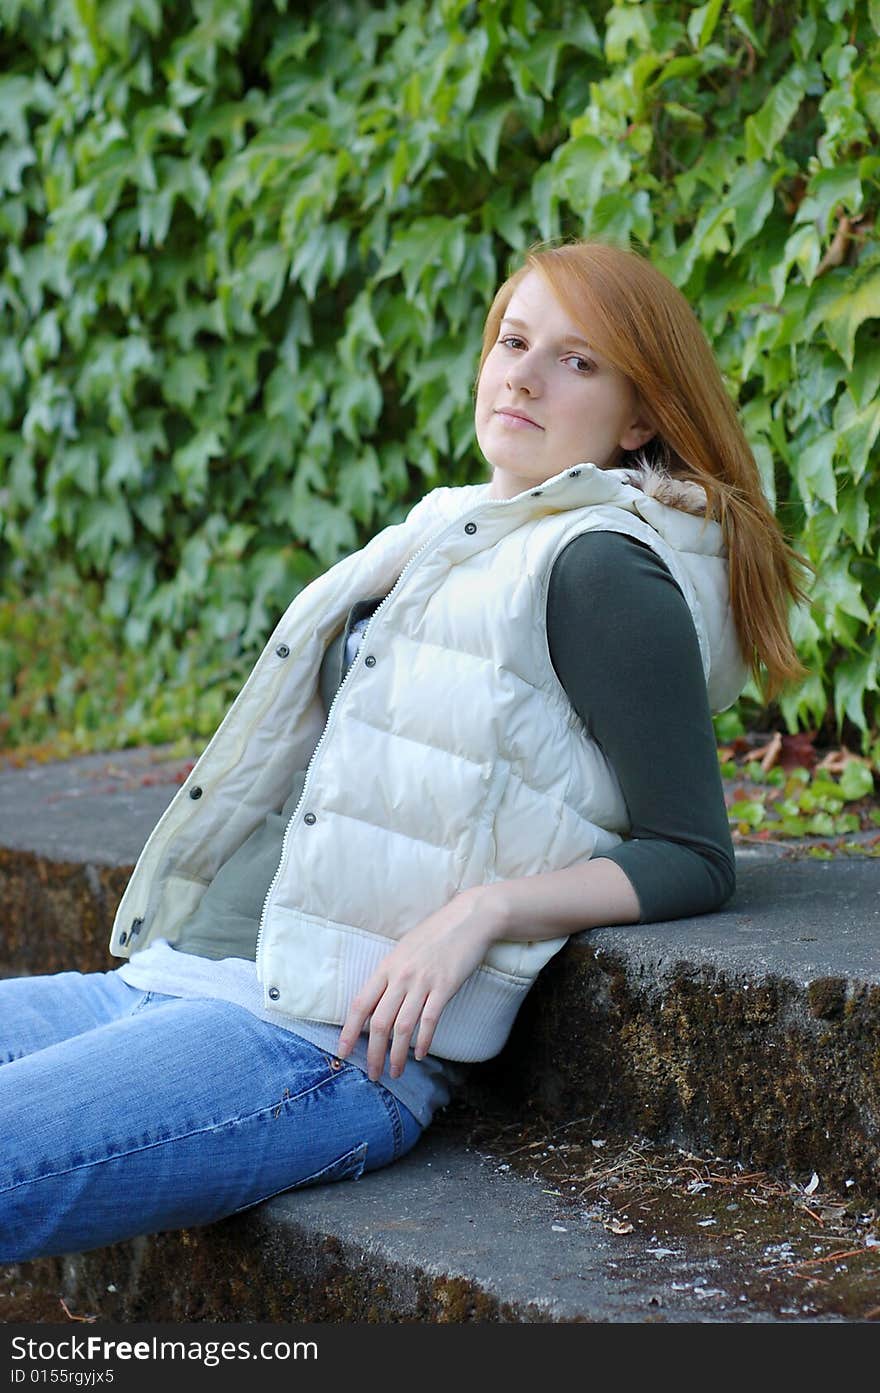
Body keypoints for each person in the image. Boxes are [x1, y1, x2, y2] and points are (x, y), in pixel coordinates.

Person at [0, 240, 805, 1262]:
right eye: (513, 340)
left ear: (640, 415)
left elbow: (693, 852)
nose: (521, 372)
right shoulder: (454, 529)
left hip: (316, 1045)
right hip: (171, 980)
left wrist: (484, 911)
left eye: (576, 359)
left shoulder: (599, 567)